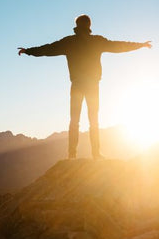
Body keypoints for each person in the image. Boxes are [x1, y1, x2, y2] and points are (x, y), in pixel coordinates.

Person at [18, 14, 152, 159]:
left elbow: (47, 49)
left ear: (77, 25)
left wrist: (28, 51)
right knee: (93, 120)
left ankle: (72, 154)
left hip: (77, 85)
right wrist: (141, 45)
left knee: (74, 121)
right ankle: (96, 154)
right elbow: (119, 46)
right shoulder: (97, 41)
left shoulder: (69, 42)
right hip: (93, 85)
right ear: (89, 25)